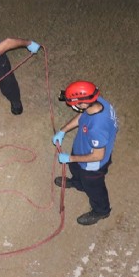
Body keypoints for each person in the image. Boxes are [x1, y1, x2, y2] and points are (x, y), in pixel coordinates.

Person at [52, 80, 118, 226]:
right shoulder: (96, 101)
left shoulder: (97, 127)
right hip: (82, 149)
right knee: (76, 169)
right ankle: (78, 183)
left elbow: (98, 155)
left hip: (93, 164)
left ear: (83, 103)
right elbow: (83, 116)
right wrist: (63, 130)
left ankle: (101, 210)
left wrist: (70, 158)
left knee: (94, 186)